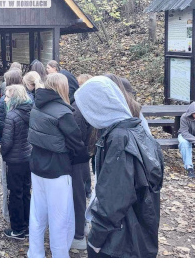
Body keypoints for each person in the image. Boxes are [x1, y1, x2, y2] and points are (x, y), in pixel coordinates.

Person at [74, 76, 163, 258]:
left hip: (119, 242)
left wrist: (95, 240)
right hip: (139, 235)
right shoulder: (136, 129)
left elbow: (113, 200)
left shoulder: (118, 139)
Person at [27, 73, 89, 258]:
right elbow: (76, 143)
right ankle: (60, 254)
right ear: (63, 88)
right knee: (60, 216)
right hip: (58, 169)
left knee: (37, 214)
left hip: (37, 165)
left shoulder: (36, 105)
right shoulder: (64, 113)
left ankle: (35, 252)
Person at [0, 85, 32, 240]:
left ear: (14, 98)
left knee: (15, 194)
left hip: (15, 160)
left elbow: (7, 142)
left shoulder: (12, 115)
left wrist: (3, 153)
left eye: (7, 96)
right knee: (26, 192)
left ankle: (18, 229)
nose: (5, 99)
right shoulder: (32, 111)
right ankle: (28, 225)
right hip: (28, 157)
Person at [0, 69, 23, 224]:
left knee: (9, 184)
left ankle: (10, 216)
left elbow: (0, 125)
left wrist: (3, 147)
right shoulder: (29, 99)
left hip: (12, 152)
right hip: (25, 151)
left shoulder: (5, 102)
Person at [70, 75, 93, 250]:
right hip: (84, 156)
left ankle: (78, 234)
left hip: (77, 159)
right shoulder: (89, 105)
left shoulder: (78, 109)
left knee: (77, 196)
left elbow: (76, 137)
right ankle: (82, 225)